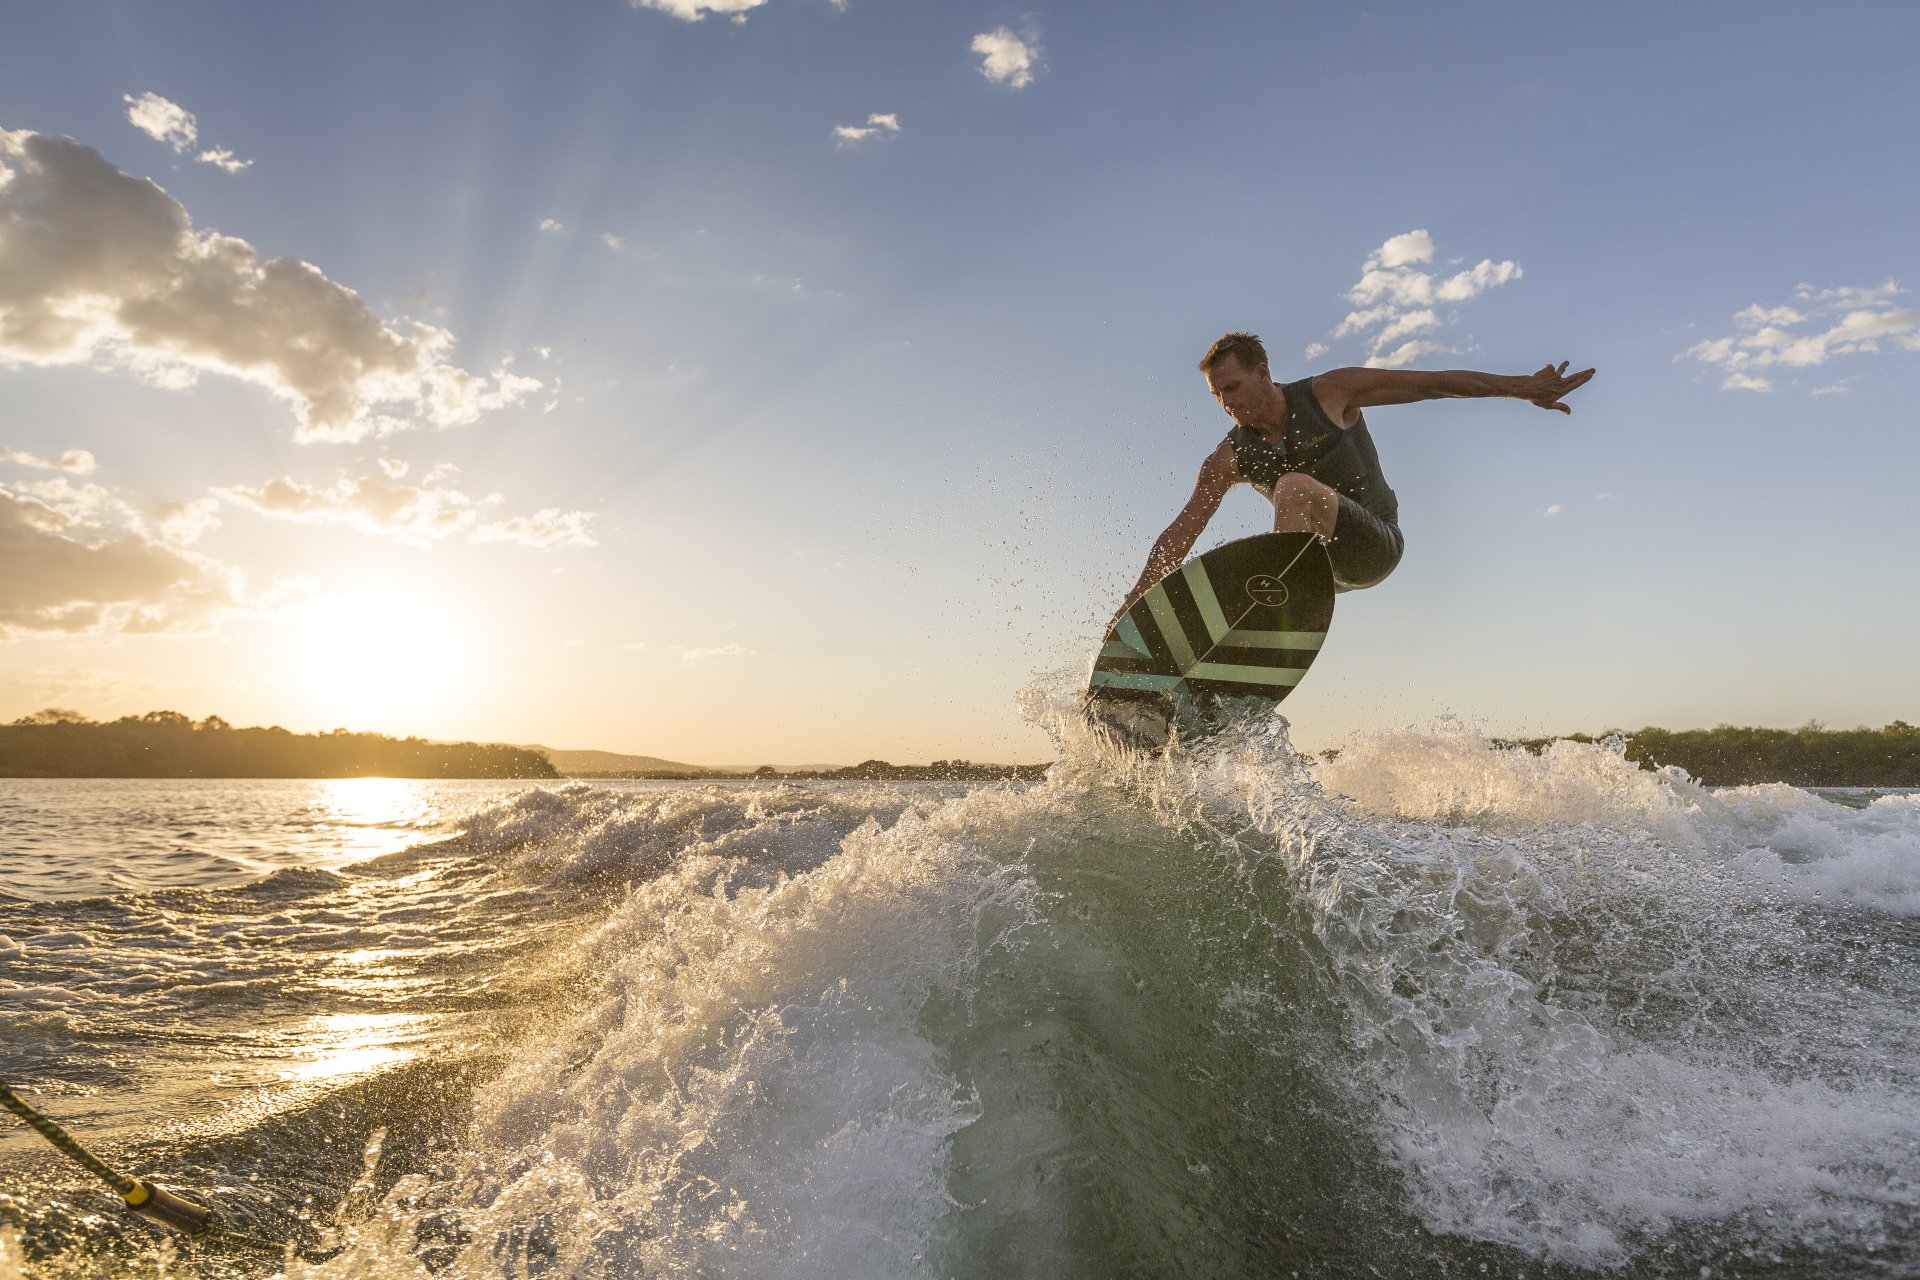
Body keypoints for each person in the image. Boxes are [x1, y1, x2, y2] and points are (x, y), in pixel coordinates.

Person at [1112, 332, 1594, 625]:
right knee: (1226, 570)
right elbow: (1181, 532)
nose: (1227, 402)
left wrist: (1523, 388)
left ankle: (1280, 610)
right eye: (1218, 394)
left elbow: (1432, 384)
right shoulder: (1229, 457)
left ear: (1263, 372)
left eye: (1233, 387)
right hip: (1321, 572)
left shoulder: (1329, 394)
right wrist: (1134, 605)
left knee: (1294, 488)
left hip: (1376, 545)